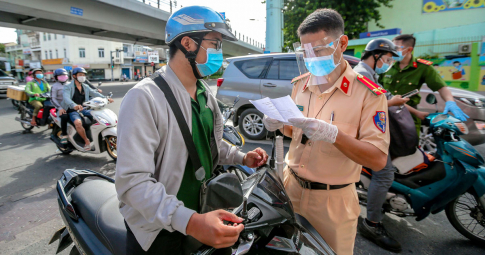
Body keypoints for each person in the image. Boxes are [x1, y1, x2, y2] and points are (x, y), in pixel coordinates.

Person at [115, 6, 269, 254]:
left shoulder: (203, 92)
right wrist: (190, 222)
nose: (220, 52)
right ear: (187, 43)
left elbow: (210, 143)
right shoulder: (144, 97)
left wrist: (242, 158)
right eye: (215, 44)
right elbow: (132, 183)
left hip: (204, 214)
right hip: (160, 230)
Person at [263, 9, 390, 254]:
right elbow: (296, 132)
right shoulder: (300, 85)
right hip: (290, 188)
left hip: (333, 201)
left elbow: (377, 159)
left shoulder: (368, 94)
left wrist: (335, 136)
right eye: (305, 51)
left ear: (342, 43)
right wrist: (280, 124)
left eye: (318, 50)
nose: (311, 57)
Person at [353, 38, 431, 252]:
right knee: (385, 173)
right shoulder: (362, 73)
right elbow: (363, 107)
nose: (387, 62)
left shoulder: (371, 74)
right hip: (366, 134)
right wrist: (391, 102)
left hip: (375, 130)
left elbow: (380, 97)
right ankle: (371, 224)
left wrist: (409, 108)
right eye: (386, 58)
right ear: (376, 55)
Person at [380, 34, 468, 135]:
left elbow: (441, 87)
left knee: (409, 146)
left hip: (408, 115)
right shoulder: (386, 65)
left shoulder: (423, 67)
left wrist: (450, 102)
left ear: (409, 50)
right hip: (385, 113)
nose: (393, 50)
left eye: (396, 48)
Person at [61, 67, 113, 151]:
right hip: (73, 110)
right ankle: (86, 141)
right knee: (78, 122)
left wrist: (106, 98)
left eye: (84, 75)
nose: (83, 76)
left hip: (84, 108)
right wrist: (74, 105)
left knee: (99, 117)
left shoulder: (85, 86)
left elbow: (95, 93)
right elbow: (66, 98)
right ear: (74, 76)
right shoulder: (67, 87)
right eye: (80, 75)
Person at [50, 68, 70, 144]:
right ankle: (64, 134)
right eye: (60, 76)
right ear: (56, 77)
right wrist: (60, 108)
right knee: (64, 117)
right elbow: (53, 99)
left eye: (64, 75)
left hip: (71, 106)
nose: (63, 77)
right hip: (61, 108)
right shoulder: (55, 86)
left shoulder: (71, 84)